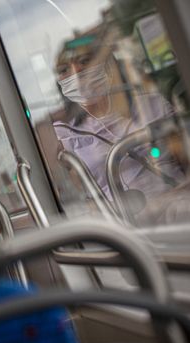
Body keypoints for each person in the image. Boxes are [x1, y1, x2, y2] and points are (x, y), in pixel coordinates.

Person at [53, 27, 186, 210]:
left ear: (106, 65)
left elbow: (186, 160)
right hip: (125, 231)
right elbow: (90, 201)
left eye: (84, 61)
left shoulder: (152, 105)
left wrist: (168, 201)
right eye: (64, 70)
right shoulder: (69, 137)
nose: (76, 73)